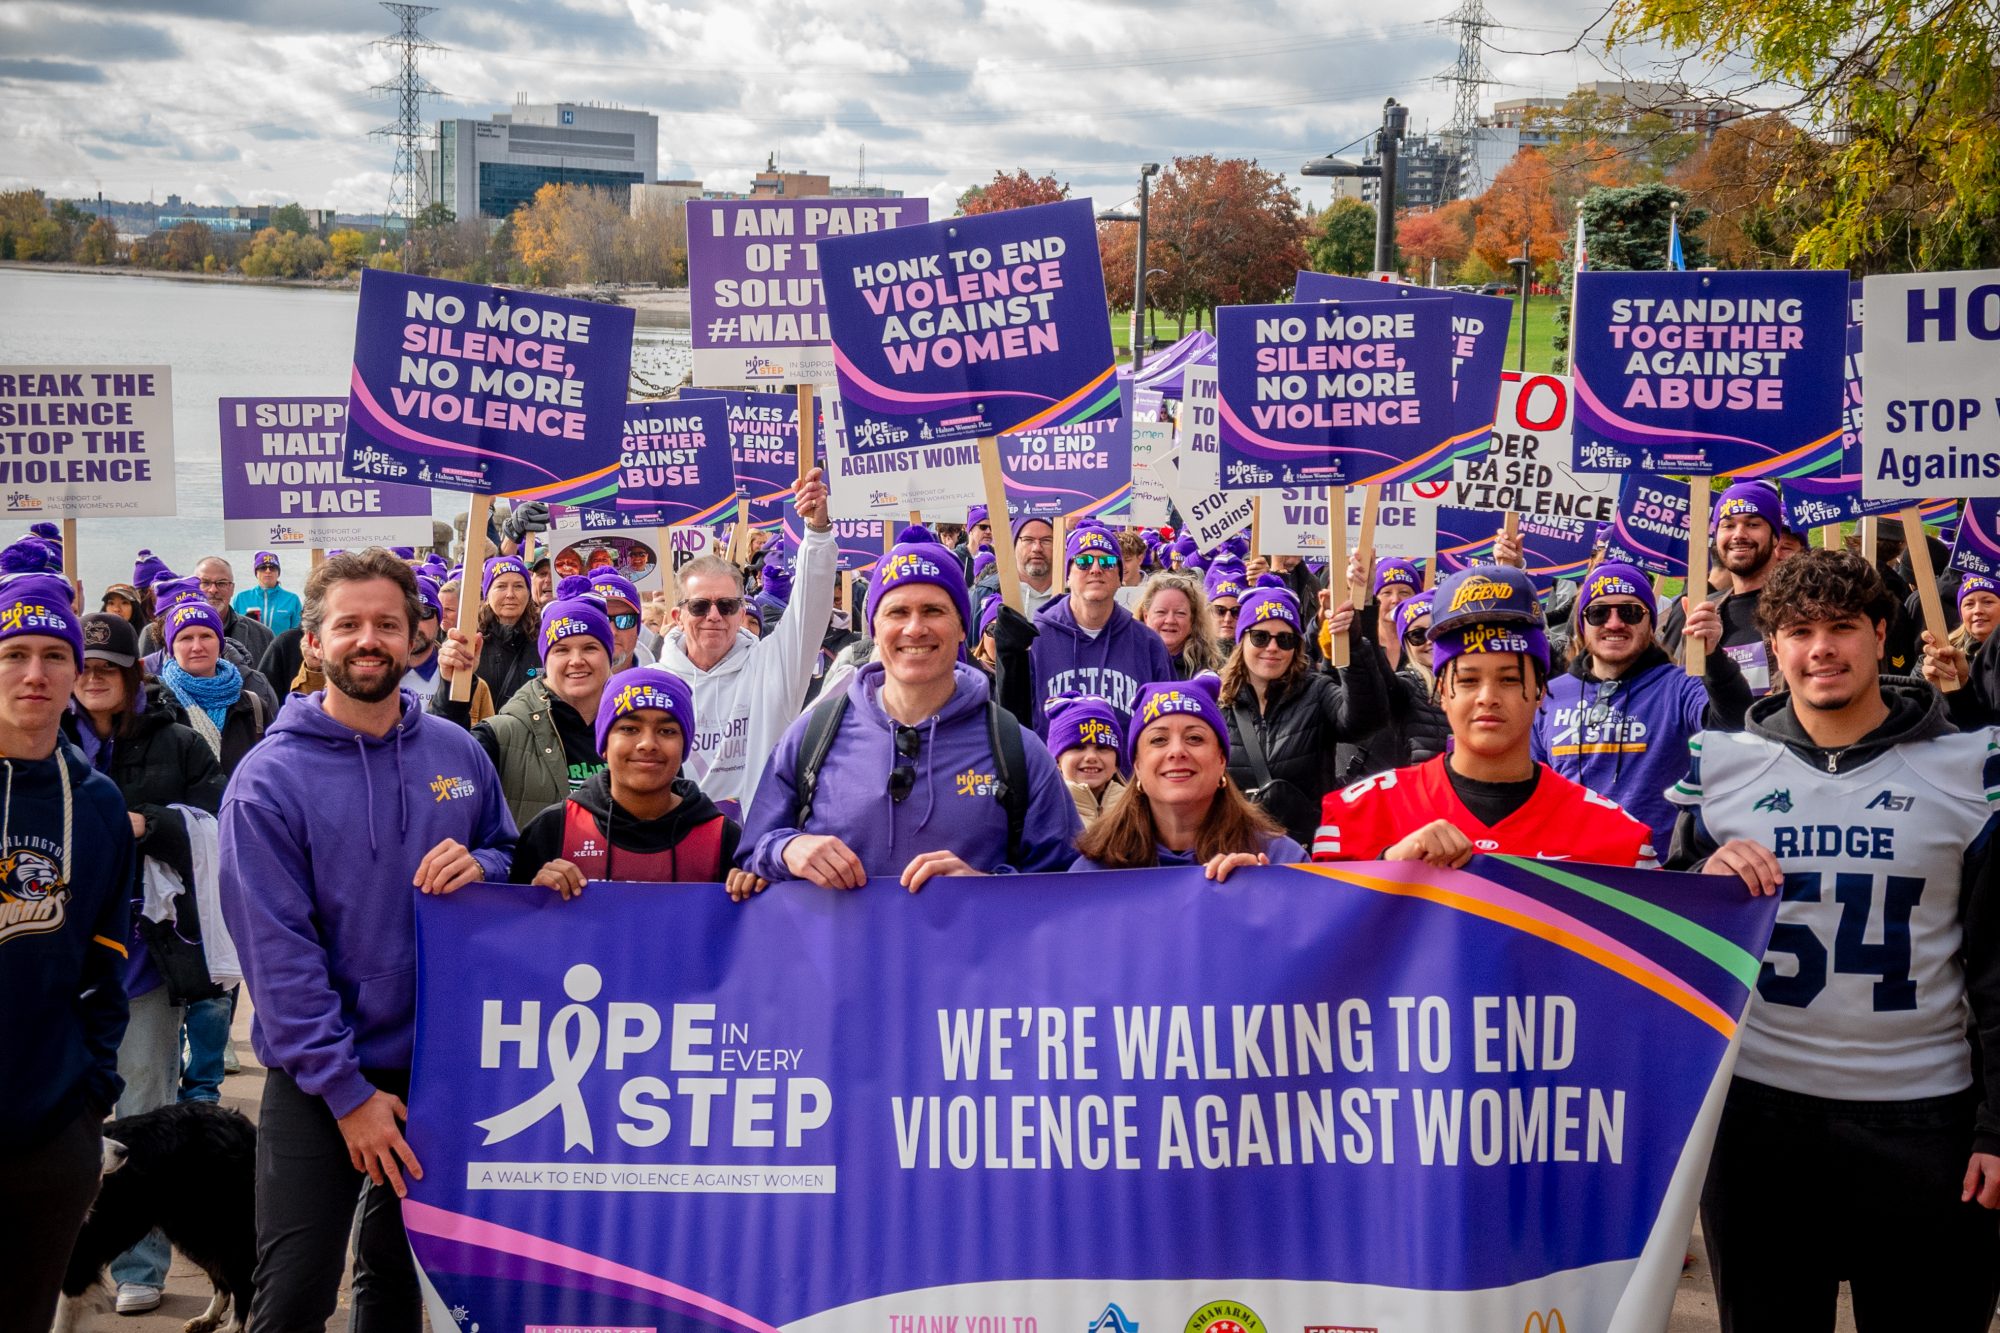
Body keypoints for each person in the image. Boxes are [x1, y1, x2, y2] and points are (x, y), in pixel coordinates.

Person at [1664, 549, 2000, 1330]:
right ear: (1772, 644)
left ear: (1881, 633)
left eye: (1842, 626)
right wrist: (1703, 876)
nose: (1822, 648)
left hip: (1926, 1119)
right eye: (1800, 630)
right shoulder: (1721, 766)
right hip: (1761, 1121)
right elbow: (1669, 946)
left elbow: (1996, 966)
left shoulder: (1968, 766)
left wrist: (1997, 1124)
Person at [219, 549, 516, 1332]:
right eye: (348, 624)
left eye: (387, 623)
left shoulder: (457, 751)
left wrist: (484, 863)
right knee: (295, 1295)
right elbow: (279, 960)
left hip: (440, 1069)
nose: (369, 640)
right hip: (320, 1081)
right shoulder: (267, 781)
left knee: (395, 1281)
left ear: (416, 636)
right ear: (313, 641)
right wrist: (349, 1095)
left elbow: (506, 850)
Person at [739, 527, 1081, 890]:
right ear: (874, 627)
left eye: (933, 610)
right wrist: (787, 849)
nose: (915, 628)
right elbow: (752, 850)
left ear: (962, 627)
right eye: (897, 612)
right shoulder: (813, 735)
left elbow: (1067, 886)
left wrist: (987, 889)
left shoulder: (1015, 748)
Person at [64, 611, 227, 1314]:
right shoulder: (41, 735)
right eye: (86, 665)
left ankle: (139, 1261)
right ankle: (55, 1252)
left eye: (111, 666)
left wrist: (150, 822)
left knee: (143, 1113)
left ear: (136, 673)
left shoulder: (178, 740)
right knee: (51, 1111)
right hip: (55, 955)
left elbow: (219, 823)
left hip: (143, 956)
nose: (95, 677)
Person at [1312, 565, 1657, 868]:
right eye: (1468, 680)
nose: (1487, 697)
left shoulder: (1618, 840)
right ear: (1442, 692)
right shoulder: (1357, 816)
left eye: (1509, 679)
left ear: (1541, 691)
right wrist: (1390, 866)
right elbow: (1323, 917)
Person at [0, 574, 134, 1331]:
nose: (35, 673)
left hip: (50, 1131)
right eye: (13, 653)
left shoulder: (98, 803)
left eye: (55, 655)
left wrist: (89, 1102)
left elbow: (105, 965)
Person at [1532, 561, 1752, 852]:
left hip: (1655, 872)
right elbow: (1527, 791)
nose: (1614, 623)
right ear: (1582, 625)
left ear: (1650, 623)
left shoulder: (1680, 687)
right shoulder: (1549, 696)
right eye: (1598, 613)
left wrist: (1714, 660)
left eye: (1630, 612)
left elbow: (1734, 728)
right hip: (1569, 871)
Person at [660, 467, 836, 818]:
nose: (714, 616)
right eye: (699, 606)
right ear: (678, 616)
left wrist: (817, 532)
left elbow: (810, 609)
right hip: (677, 843)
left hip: (755, 843)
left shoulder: (771, 667)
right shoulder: (655, 681)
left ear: (742, 613)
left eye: (726, 606)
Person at [510, 667, 753, 892]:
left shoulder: (724, 839)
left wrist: (752, 891)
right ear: (604, 743)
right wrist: (535, 895)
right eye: (629, 729)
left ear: (684, 747)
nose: (647, 744)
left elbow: (746, 921)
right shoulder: (553, 829)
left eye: (667, 731)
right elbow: (512, 918)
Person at [1071, 676, 1303, 876]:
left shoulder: (1281, 859)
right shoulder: (1093, 873)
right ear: (1137, 765)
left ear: (1222, 759)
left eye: (1194, 738)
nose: (1177, 751)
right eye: (1159, 740)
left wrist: (1268, 893)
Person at [434, 576, 615, 829]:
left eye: (590, 648)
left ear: (609, 654)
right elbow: (442, 775)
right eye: (561, 650)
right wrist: (451, 695)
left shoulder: (640, 727)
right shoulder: (503, 735)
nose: (576, 660)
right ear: (545, 659)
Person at [1218, 581, 1381, 846]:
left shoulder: (1316, 690)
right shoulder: (1217, 702)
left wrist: (1351, 648)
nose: (1272, 647)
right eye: (1260, 637)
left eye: (1285, 639)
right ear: (1241, 640)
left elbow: (1365, 721)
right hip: (1235, 850)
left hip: (1305, 852)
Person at [1029, 523, 1176, 727]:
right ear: (1068, 575)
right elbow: (1020, 723)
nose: (1096, 569)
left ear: (1119, 577)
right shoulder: (1035, 639)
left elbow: (1166, 723)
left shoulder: (1148, 643)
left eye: (1107, 562)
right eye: (1084, 561)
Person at [1660, 482, 1789, 693]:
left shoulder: (1799, 608)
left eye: (1753, 524)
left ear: (1775, 537)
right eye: (1728, 525)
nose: (1739, 534)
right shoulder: (1702, 613)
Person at [157, 598, 271, 777]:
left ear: (220, 643)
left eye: (206, 636)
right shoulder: (157, 708)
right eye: (186, 638)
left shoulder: (253, 707)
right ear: (172, 648)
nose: (197, 647)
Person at [141, 556, 278, 668]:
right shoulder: (153, 634)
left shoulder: (262, 635)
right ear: (193, 586)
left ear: (232, 589)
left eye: (222, 583)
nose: (213, 590)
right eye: (205, 583)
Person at [469, 553, 541, 708]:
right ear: (487, 594)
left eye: (518, 586)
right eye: (501, 586)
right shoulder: (470, 640)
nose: (510, 594)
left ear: (529, 593)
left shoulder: (544, 639)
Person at [1045, 692, 1128, 825]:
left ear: (1116, 762)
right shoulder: (1044, 812)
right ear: (1057, 760)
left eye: (1102, 747)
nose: (1091, 757)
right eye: (1078, 747)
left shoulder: (1139, 811)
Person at [1137, 571, 1225, 679]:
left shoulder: (1213, 670)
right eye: (1161, 612)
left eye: (1180, 613)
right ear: (1146, 616)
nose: (1170, 620)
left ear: (1192, 620)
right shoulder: (1129, 662)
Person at [970, 513, 1061, 616]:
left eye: (1046, 540)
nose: (1037, 548)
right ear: (1013, 545)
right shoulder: (987, 592)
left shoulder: (1071, 591)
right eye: (1028, 540)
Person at [588, 568, 654, 668]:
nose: (612, 632)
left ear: (638, 628)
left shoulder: (662, 675)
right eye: (601, 621)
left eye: (625, 620)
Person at [232, 551, 302, 635]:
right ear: (256, 573)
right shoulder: (241, 598)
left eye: (272, 568)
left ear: (278, 573)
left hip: (281, 644)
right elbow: (233, 630)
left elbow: (298, 633)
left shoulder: (292, 599)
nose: (268, 571)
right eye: (263, 568)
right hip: (248, 644)